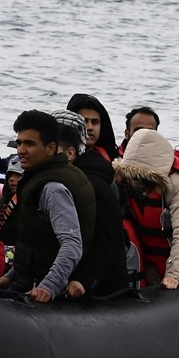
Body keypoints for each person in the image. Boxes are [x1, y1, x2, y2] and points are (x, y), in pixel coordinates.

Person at [0, 110, 96, 303]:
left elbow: (72, 245)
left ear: (51, 149)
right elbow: (35, 242)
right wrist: (11, 275)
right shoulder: (55, 173)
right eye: (19, 143)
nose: (21, 150)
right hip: (28, 279)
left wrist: (48, 286)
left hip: (46, 294)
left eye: (30, 144)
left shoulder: (53, 189)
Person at [113, 128, 179, 289]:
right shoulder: (127, 178)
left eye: (141, 176)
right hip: (152, 262)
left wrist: (173, 274)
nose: (137, 181)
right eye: (134, 176)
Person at [54, 110, 128, 300]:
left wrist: (85, 280)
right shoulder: (58, 179)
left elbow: (107, 238)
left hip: (99, 290)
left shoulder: (94, 183)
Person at [66, 93, 119, 160]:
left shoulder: (113, 161)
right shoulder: (56, 157)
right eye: (84, 121)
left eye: (95, 122)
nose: (90, 127)